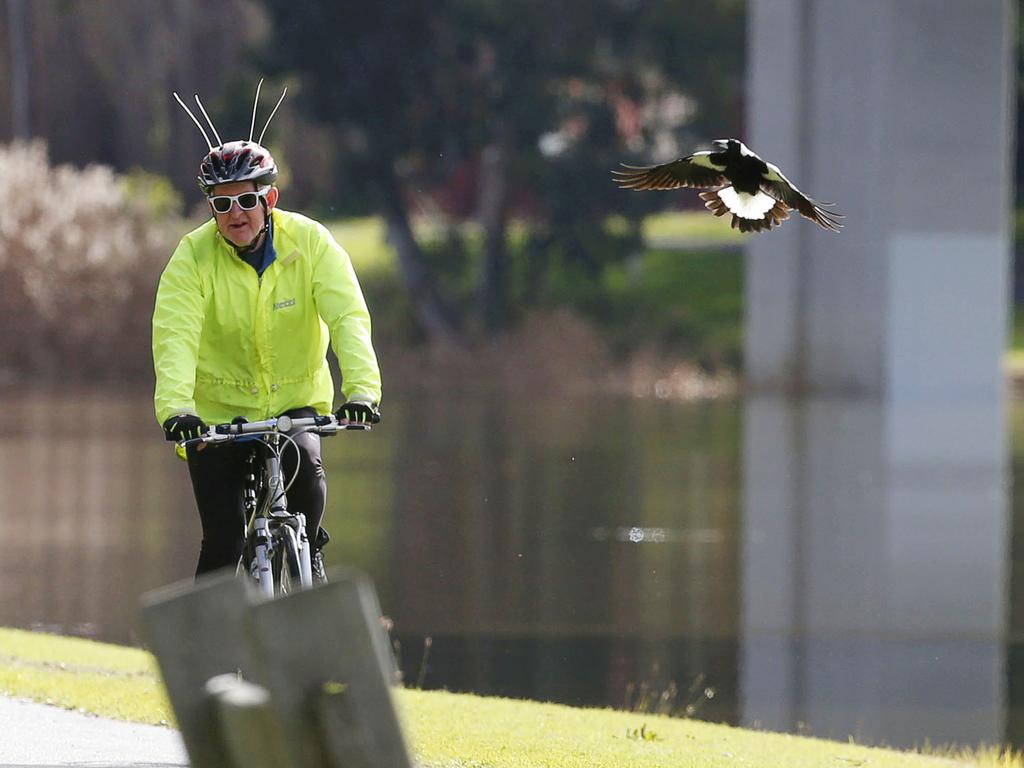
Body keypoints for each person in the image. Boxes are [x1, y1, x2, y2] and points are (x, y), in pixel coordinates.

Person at [153, 84, 381, 582]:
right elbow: (175, 337)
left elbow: (348, 318)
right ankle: (203, 657)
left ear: (270, 198)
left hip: (295, 403)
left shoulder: (313, 243)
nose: (235, 213)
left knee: (307, 483)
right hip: (214, 417)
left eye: (248, 199)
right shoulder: (191, 260)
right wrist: (177, 410)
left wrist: (362, 391)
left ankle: (308, 557)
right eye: (222, 203)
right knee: (223, 538)